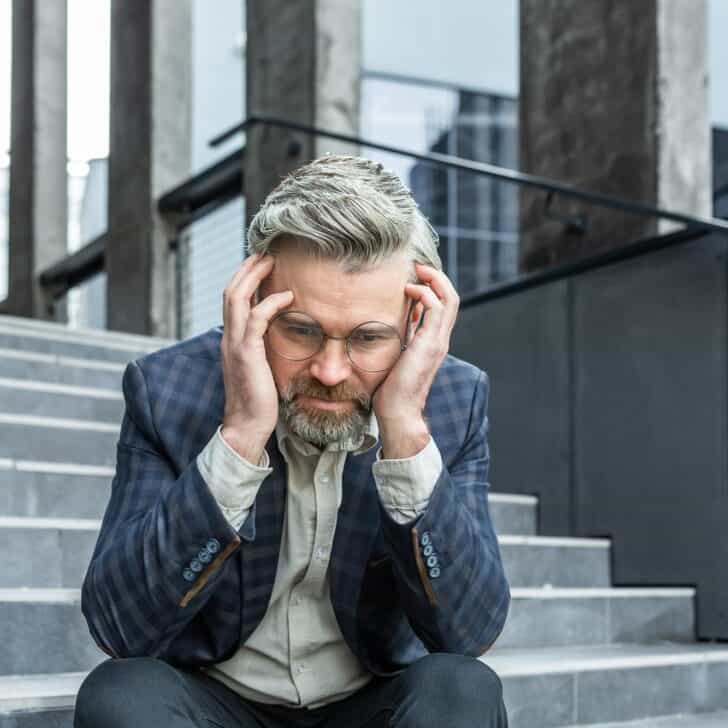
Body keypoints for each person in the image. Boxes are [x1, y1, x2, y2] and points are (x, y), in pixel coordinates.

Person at [75, 155, 511, 728]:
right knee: (120, 696)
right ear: (252, 303)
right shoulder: (168, 390)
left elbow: (468, 632)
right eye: (300, 330)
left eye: (368, 337)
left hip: (366, 705)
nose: (330, 371)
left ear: (414, 325)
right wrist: (240, 436)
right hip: (215, 702)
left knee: (461, 690)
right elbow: (119, 627)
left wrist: (403, 431)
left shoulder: (453, 400)